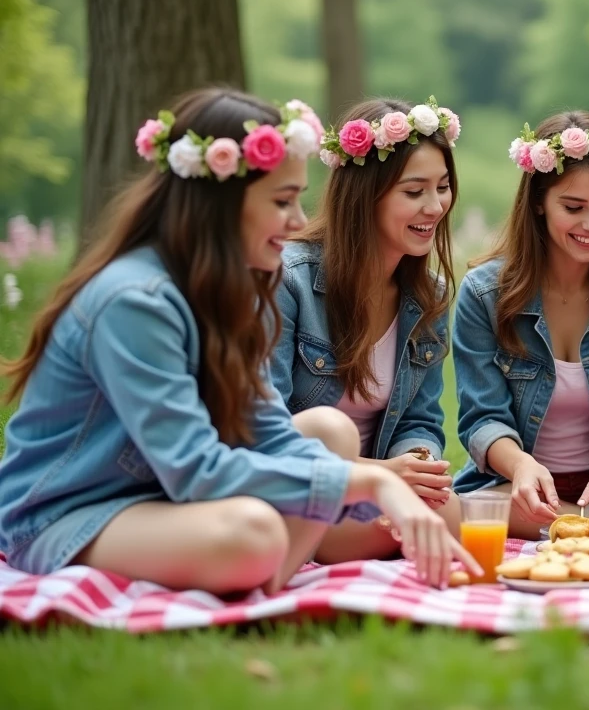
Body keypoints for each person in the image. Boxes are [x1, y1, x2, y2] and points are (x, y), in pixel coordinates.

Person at [0, 89, 475, 592]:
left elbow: (267, 431)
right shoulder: (136, 301)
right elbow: (195, 466)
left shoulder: (235, 288)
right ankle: (251, 571)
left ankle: (262, 587)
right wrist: (375, 481)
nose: (299, 221)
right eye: (282, 202)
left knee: (329, 434)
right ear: (224, 201)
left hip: (160, 503)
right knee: (253, 535)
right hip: (71, 511)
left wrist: (383, 483)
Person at [453, 112, 589, 539]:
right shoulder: (484, 294)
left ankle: (581, 524)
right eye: (573, 207)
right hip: (517, 491)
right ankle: (573, 524)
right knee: (443, 510)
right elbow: (482, 418)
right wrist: (521, 466)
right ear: (538, 202)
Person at [270, 98, 462, 563]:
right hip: (299, 481)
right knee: (328, 432)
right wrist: (380, 475)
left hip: (375, 489)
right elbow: (265, 425)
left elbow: (419, 419)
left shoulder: (428, 296)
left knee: (449, 511)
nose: (434, 206)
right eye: (414, 192)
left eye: (442, 187)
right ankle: (320, 543)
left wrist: (417, 467)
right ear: (365, 194)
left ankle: (358, 541)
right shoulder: (288, 280)